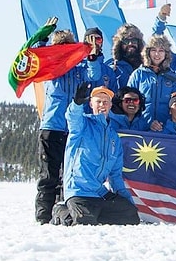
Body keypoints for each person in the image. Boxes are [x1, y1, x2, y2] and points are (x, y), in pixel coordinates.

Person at [35, 26, 102, 224]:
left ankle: (63, 214)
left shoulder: (79, 71)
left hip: (74, 130)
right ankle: (43, 217)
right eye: (60, 47)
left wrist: (91, 56)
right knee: (49, 175)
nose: (64, 50)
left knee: (70, 175)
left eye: (68, 46)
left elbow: (94, 75)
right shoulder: (50, 71)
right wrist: (42, 39)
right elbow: (37, 59)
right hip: (52, 128)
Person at [51, 84, 140, 226]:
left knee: (130, 217)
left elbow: (115, 175)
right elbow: (72, 117)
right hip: (79, 191)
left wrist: (127, 201)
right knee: (85, 223)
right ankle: (62, 210)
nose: (102, 105)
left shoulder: (114, 138)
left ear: (110, 105)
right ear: (91, 104)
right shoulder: (82, 124)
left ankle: (89, 213)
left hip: (100, 194)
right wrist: (76, 103)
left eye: (105, 102)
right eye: (98, 101)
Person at [127, 35, 176, 127]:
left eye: (161, 51)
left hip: (165, 129)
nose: (157, 54)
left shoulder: (172, 77)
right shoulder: (138, 74)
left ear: (166, 54)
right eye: (153, 50)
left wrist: (167, 125)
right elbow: (128, 101)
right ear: (148, 52)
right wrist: (146, 124)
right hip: (140, 127)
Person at [106, 23, 145, 90]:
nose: (130, 44)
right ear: (120, 45)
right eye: (126, 41)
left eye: (134, 40)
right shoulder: (113, 68)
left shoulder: (146, 68)